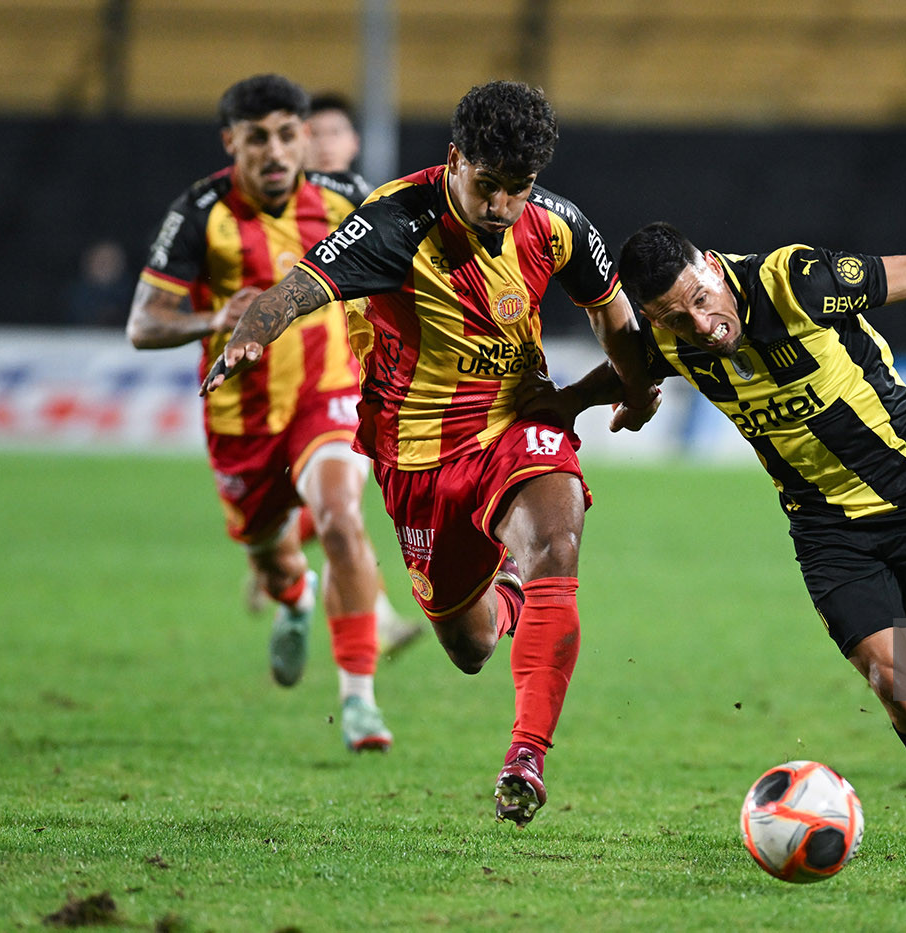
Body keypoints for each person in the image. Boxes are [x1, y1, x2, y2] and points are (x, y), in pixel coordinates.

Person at [524, 221, 906, 860]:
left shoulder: (793, 282)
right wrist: (567, 405)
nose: (702, 326)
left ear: (711, 265)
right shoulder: (668, 339)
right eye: (677, 320)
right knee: (893, 680)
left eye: (702, 301)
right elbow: (628, 368)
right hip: (826, 532)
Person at [201, 81, 660, 825]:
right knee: (472, 643)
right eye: (487, 185)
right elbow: (301, 287)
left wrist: (627, 391)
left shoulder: (556, 224)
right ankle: (506, 585)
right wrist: (255, 328)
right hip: (418, 457)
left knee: (559, 537)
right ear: (455, 161)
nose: (501, 205)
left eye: (518, 189)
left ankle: (526, 755)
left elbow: (614, 316)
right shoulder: (391, 222)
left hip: (518, 423)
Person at [127, 73, 398, 753]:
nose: (275, 152)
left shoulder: (346, 199)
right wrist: (216, 314)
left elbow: (408, 279)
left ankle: (359, 698)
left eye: (287, 135)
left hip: (326, 394)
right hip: (240, 418)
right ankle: (295, 596)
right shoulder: (201, 212)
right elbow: (143, 324)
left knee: (340, 519)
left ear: (305, 137)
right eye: (257, 140)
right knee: (273, 559)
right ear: (232, 143)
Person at [231, 88, 423, 661]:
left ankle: (286, 559)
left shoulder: (374, 208)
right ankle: (357, 607)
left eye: (336, 133)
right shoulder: (291, 213)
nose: (326, 144)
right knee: (340, 508)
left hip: (365, 378)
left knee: (342, 507)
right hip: (303, 386)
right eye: (315, 135)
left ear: (354, 142)